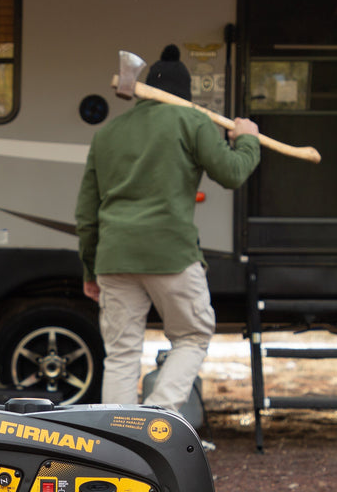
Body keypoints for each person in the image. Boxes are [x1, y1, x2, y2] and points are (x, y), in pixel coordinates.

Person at [75, 44, 261, 412]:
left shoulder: (108, 133)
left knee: (121, 353)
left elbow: (86, 212)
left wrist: (90, 268)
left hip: (114, 257)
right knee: (192, 335)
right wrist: (248, 138)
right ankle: (159, 419)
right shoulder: (194, 122)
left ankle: (115, 440)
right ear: (186, 93)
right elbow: (233, 173)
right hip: (170, 255)